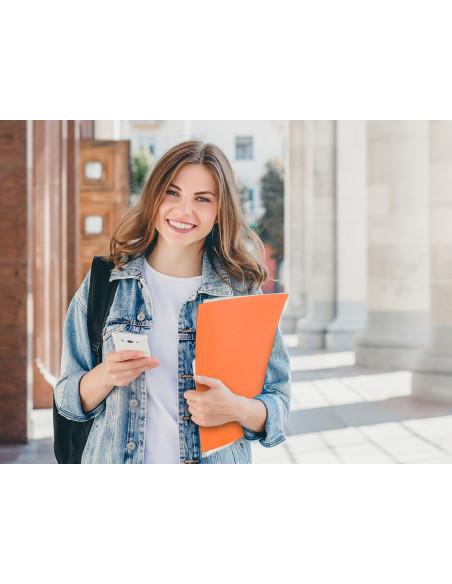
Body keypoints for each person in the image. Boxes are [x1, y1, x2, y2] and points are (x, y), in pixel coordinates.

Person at [54, 140, 291, 464]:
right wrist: (106, 375)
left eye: (202, 199)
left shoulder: (241, 293)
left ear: (220, 210)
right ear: (154, 196)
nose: (184, 210)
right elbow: (66, 398)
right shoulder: (105, 283)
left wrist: (236, 408)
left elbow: (278, 402)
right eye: (172, 192)